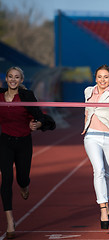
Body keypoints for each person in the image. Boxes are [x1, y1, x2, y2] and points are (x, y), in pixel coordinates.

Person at [0, 66, 56, 239]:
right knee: (6, 179)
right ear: (6, 79)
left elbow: (42, 117)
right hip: (5, 142)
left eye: (17, 77)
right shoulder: (0, 95)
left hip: (24, 143)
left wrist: (37, 124)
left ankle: (24, 185)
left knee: (22, 178)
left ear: (21, 80)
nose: (13, 80)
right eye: (10, 76)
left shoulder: (27, 96)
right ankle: (10, 221)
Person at [81, 64, 109, 229]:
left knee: (108, 174)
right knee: (98, 170)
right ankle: (103, 207)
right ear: (95, 78)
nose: (102, 80)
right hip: (92, 136)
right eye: (99, 76)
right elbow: (86, 111)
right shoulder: (88, 91)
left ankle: (106, 199)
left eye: (106, 77)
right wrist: (85, 127)